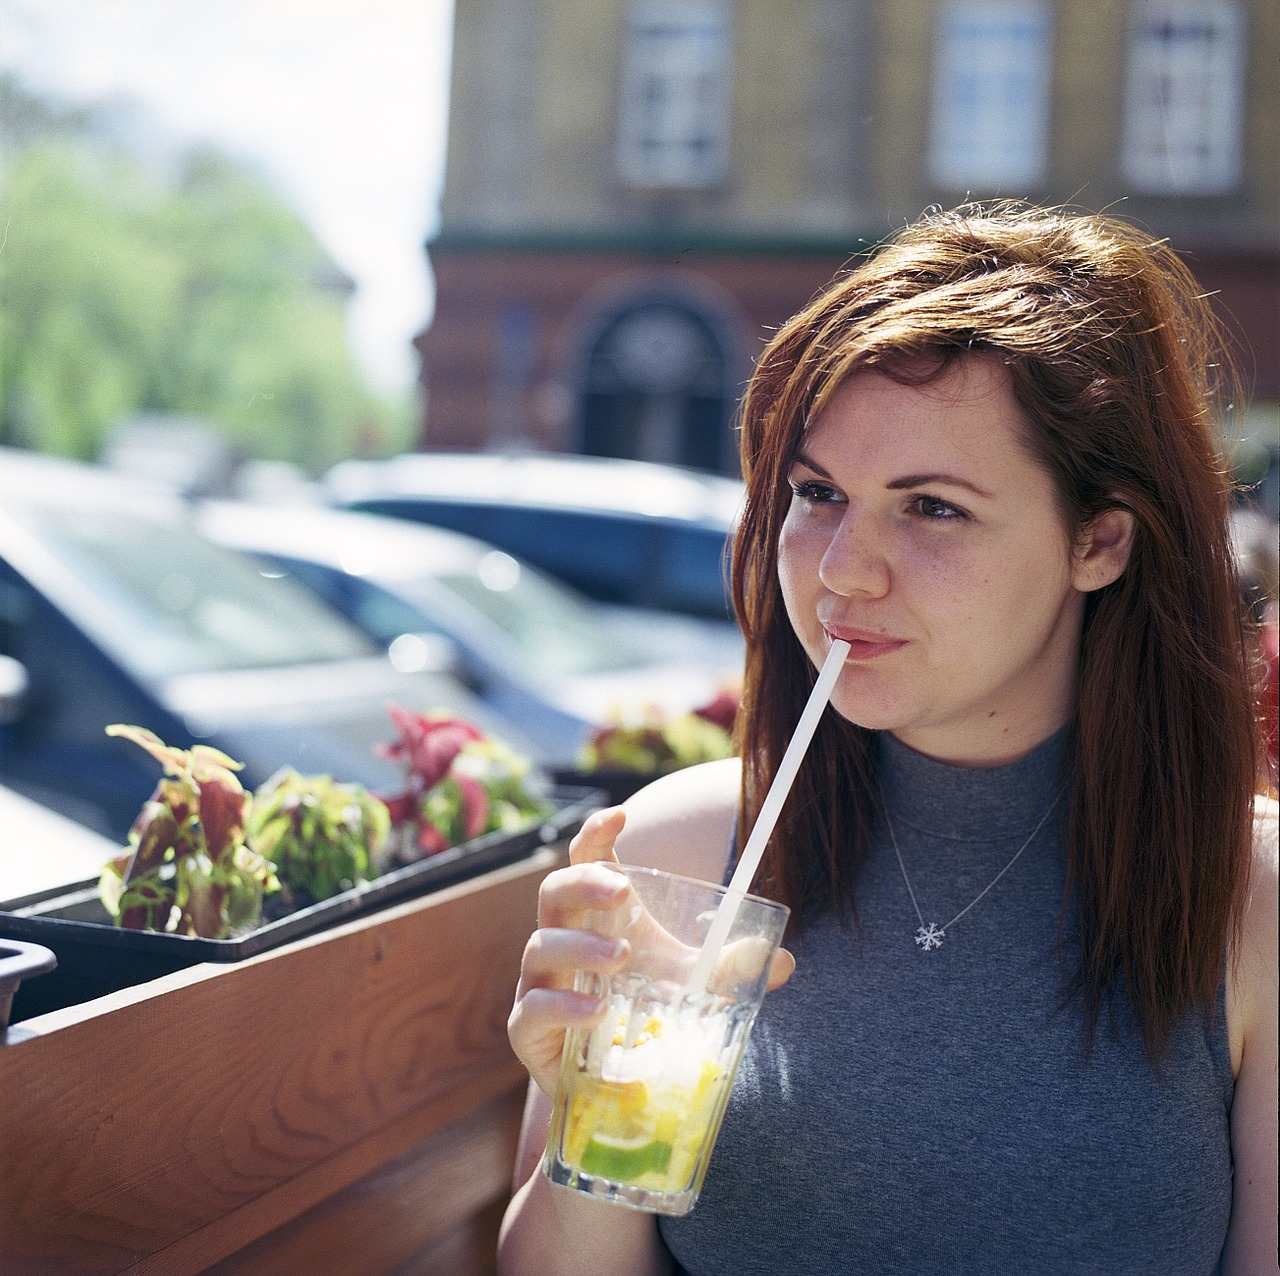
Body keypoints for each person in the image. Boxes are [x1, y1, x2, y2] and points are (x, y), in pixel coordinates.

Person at [499, 203, 1279, 1276]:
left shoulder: (1249, 902)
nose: (840, 571)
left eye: (932, 509)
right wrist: (579, 1115)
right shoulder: (673, 859)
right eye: (817, 493)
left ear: (1097, 540)